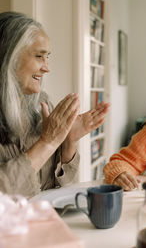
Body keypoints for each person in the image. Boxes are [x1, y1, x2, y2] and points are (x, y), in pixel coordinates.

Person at [0, 11, 110, 197]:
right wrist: (48, 143)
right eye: (39, 56)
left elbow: (60, 188)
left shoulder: (42, 105)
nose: (47, 67)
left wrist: (69, 142)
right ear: (9, 56)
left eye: (47, 57)